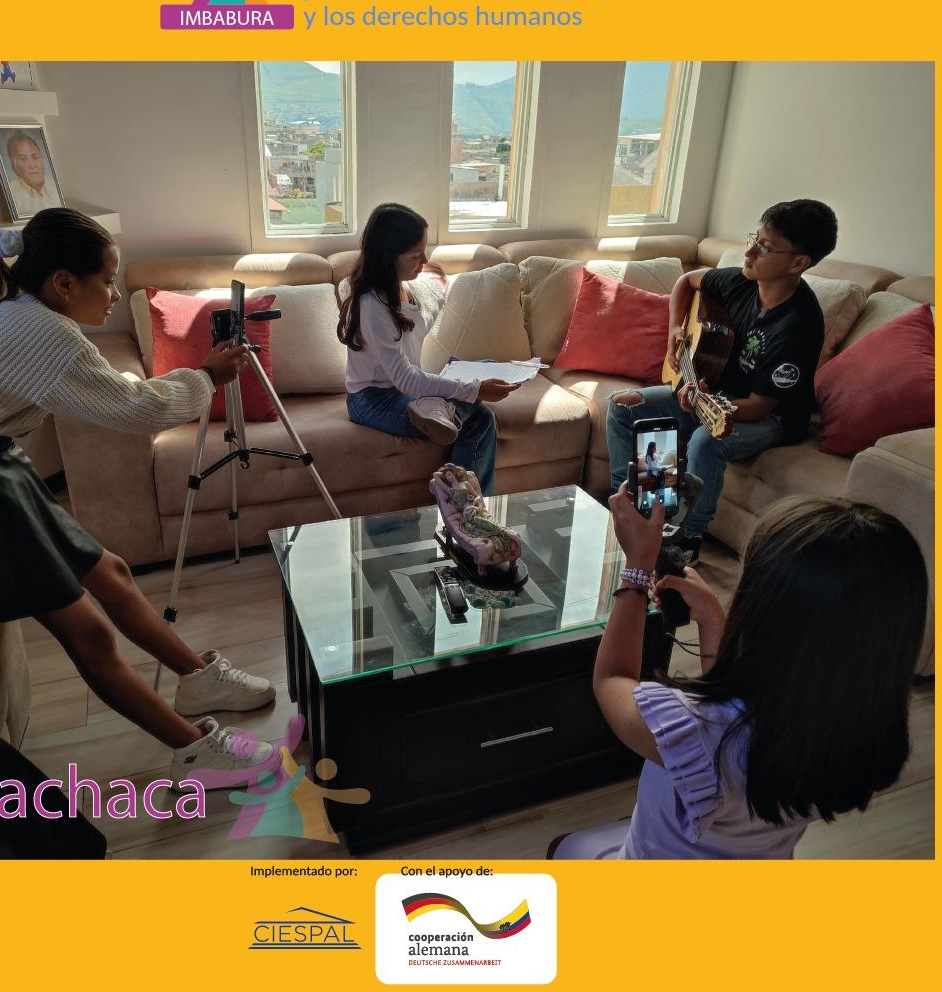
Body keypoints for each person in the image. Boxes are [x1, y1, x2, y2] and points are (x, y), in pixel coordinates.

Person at [0, 208, 278, 784]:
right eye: (108, 281)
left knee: (111, 573)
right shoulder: (41, 331)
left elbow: (110, 391)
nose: (115, 295)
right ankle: (195, 753)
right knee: (88, 633)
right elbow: (137, 411)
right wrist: (208, 376)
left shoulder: (19, 312)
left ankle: (198, 679)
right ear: (64, 282)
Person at [549, 488, 926, 859]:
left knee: (563, 845)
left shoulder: (691, 730)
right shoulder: (870, 738)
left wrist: (637, 570)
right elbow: (735, 708)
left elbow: (612, 679)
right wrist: (713, 621)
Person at [606, 198, 835, 565]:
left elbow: (759, 406)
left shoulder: (798, 327)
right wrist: (675, 330)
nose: (749, 252)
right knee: (623, 407)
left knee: (706, 439)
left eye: (765, 247)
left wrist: (700, 404)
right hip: (714, 390)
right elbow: (685, 282)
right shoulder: (741, 282)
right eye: (754, 239)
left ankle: (686, 539)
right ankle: (640, 508)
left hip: (771, 417)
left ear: (798, 263)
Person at [336, 203, 518, 495]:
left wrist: (440, 289)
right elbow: (405, 379)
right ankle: (463, 507)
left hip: (404, 392)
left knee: (483, 389)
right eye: (415, 254)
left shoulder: (401, 287)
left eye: (424, 251)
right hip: (372, 401)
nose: (424, 260)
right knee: (477, 409)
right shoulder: (371, 304)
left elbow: (415, 330)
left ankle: (465, 504)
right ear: (388, 256)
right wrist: (474, 389)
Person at [6, 132, 62, 215]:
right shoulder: (9, 195)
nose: (32, 165)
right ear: (14, 165)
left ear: (42, 159)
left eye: (35, 157)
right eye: (23, 159)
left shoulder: (58, 187)